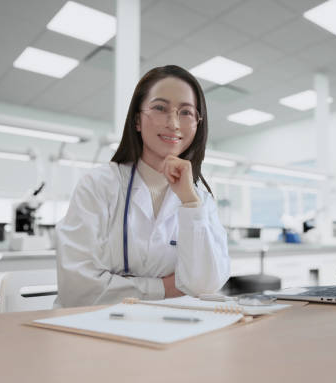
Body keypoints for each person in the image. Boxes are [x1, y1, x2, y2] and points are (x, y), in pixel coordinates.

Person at [55, 65, 230, 307]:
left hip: (170, 329)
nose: (173, 123)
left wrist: (190, 203)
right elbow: (78, 289)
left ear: (198, 123)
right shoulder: (98, 185)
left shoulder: (200, 200)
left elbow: (205, 286)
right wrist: (164, 288)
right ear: (137, 120)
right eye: (160, 108)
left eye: (186, 112)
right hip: (93, 329)